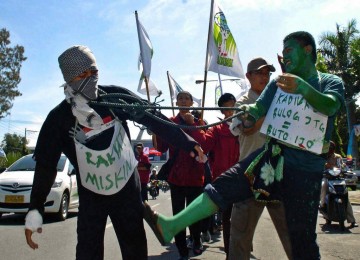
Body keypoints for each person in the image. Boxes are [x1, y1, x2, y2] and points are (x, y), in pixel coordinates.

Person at [148, 31, 345, 259]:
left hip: (304, 169)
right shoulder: (277, 86)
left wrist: (302, 88)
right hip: (270, 159)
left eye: (289, 50)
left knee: (301, 240)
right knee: (224, 186)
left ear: (308, 49)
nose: (285, 56)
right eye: (284, 52)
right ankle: (172, 225)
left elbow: (331, 107)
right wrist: (248, 114)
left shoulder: (329, 81)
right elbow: (255, 113)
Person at [23, 45, 205, 260]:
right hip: (92, 195)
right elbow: (45, 165)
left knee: (134, 248)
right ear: (70, 79)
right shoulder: (58, 119)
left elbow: (153, 118)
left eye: (94, 72)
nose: (90, 79)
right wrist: (35, 209)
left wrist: (188, 142)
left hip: (127, 188)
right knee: (88, 251)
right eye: (83, 74)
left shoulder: (115, 98)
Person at [229, 57, 292, 259]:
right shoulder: (243, 102)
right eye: (259, 73)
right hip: (251, 174)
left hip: (280, 173)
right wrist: (268, 108)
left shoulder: (282, 96)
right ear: (248, 76)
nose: (264, 77)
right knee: (240, 237)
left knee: (293, 233)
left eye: (267, 74)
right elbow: (247, 130)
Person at [153, 91, 207, 259]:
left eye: (187, 98)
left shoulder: (200, 122)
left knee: (194, 214)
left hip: (196, 177)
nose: (183, 101)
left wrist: (192, 125)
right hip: (176, 177)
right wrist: (155, 130)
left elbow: (205, 144)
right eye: (180, 98)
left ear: (192, 103)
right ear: (176, 102)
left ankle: (197, 240)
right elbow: (161, 148)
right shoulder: (169, 123)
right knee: (178, 215)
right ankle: (182, 250)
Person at [201, 93, 239, 258]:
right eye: (227, 106)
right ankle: (230, 251)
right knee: (227, 218)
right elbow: (204, 144)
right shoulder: (216, 129)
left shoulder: (245, 125)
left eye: (233, 105)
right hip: (224, 180)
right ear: (222, 109)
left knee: (244, 216)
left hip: (245, 176)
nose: (231, 109)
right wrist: (200, 128)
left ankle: (242, 246)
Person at [320, 141, 358, 228]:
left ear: (334, 149)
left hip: (338, 179)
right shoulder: (322, 157)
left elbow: (342, 166)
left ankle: (352, 221)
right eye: (329, 148)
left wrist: (345, 169)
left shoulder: (338, 157)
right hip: (327, 178)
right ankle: (322, 204)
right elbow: (320, 167)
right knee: (323, 186)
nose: (330, 150)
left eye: (331, 149)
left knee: (345, 198)